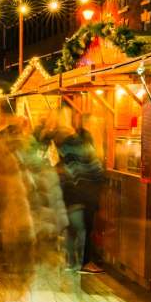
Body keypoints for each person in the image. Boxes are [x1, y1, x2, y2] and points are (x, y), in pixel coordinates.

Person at [52, 111, 105, 274]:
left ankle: (70, 262)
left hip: (72, 192)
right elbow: (95, 167)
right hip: (83, 192)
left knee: (73, 229)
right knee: (84, 229)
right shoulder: (82, 143)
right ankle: (85, 263)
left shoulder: (67, 144)